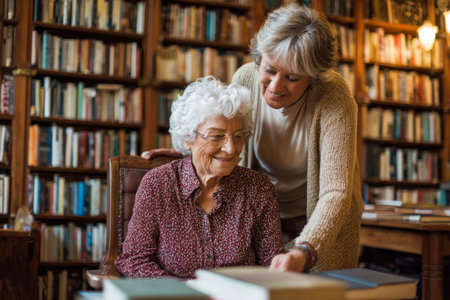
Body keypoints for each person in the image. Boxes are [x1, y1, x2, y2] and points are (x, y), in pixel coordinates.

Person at [143, 4, 364, 273]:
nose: (275, 86)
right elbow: (229, 137)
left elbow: (335, 192)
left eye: (292, 77)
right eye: (269, 70)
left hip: (320, 226)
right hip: (262, 221)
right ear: (260, 58)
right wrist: (192, 148)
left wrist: (305, 249)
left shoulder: (333, 97)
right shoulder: (245, 78)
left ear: (313, 79)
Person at [115, 76, 285, 280]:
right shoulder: (158, 183)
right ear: (188, 139)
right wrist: (185, 293)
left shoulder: (258, 188)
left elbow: (272, 263)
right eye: (216, 136)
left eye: (238, 135)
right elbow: (134, 259)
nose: (231, 149)